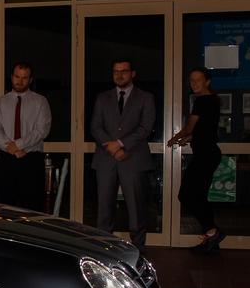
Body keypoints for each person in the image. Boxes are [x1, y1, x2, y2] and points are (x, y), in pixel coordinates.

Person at [90, 59, 156, 250]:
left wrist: (120, 144)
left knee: (136, 209)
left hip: (133, 158)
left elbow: (145, 128)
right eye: (115, 71)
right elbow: (95, 126)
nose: (119, 75)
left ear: (133, 73)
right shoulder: (103, 98)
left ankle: (138, 250)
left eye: (124, 71)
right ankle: (103, 250)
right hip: (105, 159)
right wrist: (110, 146)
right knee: (104, 209)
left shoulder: (145, 97)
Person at [167, 68, 224, 252]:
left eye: (198, 80)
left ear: (207, 81)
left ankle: (212, 231)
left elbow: (190, 127)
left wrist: (174, 138)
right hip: (209, 153)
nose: (194, 84)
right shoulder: (213, 100)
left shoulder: (202, 101)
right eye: (191, 80)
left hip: (206, 154)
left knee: (186, 195)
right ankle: (211, 240)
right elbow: (204, 130)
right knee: (198, 196)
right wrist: (188, 139)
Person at [0, 61, 51, 211]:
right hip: (6, 160)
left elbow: (41, 130)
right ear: (12, 77)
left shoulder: (40, 102)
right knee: (4, 207)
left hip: (31, 160)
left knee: (32, 209)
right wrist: (11, 148)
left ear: (30, 79)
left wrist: (19, 145)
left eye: (24, 77)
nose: (20, 81)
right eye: (17, 76)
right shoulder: (0, 102)